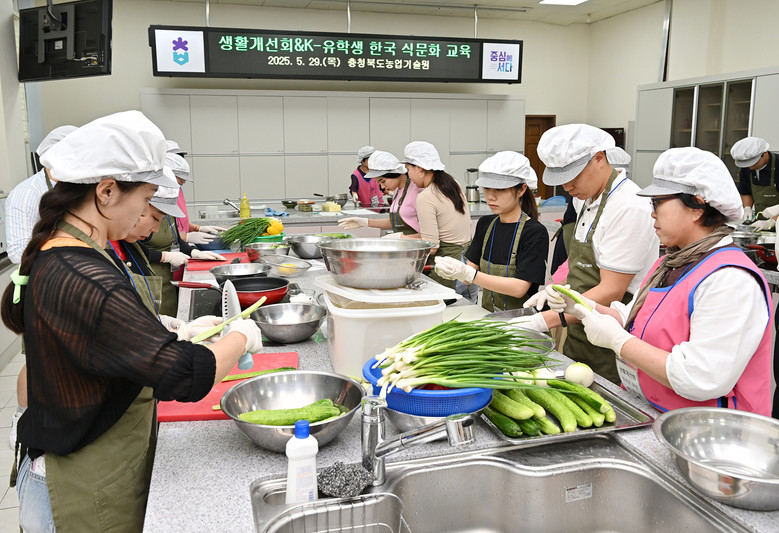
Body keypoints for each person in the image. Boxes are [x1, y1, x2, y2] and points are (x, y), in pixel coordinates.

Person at [3, 110, 263, 532]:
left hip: (76, 463)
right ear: (106, 192)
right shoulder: (85, 275)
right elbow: (184, 375)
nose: (148, 213)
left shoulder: (64, 250)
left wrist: (162, 334)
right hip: (78, 488)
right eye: (145, 199)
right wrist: (240, 336)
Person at [545, 147, 772, 416]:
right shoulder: (669, 263)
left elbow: (701, 377)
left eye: (657, 203)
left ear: (696, 207)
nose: (652, 213)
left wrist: (620, 342)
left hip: (709, 430)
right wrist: (584, 307)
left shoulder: (730, 279)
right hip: (656, 413)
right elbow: (638, 319)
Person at [518, 124, 659, 384]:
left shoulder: (628, 206)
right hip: (578, 327)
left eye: (574, 175)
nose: (567, 185)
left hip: (612, 336)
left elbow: (611, 290)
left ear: (599, 158)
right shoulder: (583, 197)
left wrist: (542, 321)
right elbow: (582, 262)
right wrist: (555, 288)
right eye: (561, 177)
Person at [5, 125, 77, 449]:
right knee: (36, 359)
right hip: (39, 284)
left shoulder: (72, 189)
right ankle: (22, 416)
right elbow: (19, 252)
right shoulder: (26, 194)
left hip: (69, 282)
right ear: (50, 162)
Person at [433, 151, 548, 311]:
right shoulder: (486, 224)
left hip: (521, 320)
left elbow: (519, 288)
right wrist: (455, 270)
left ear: (521, 190)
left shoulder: (534, 232)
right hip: (487, 316)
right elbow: (468, 275)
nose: (491, 196)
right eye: (487, 188)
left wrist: (469, 274)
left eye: (500, 189)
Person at [401, 141, 472, 290]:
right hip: (468, 264)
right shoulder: (453, 183)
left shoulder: (426, 196)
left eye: (408, 169)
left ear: (419, 168)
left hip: (448, 267)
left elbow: (431, 246)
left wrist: (401, 242)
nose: (408, 176)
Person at [338, 150, 421, 237]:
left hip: (416, 245)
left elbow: (429, 234)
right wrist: (365, 222)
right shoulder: (397, 190)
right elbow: (395, 223)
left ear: (393, 173)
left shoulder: (417, 191)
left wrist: (402, 238)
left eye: (383, 181)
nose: (382, 187)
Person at [164, 144, 225, 246]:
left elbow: (178, 222)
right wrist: (186, 237)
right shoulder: (157, 196)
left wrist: (197, 228)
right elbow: (156, 236)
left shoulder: (177, 189)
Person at [731, 136, 779, 228]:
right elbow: (746, 191)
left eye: (753, 162)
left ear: (765, 153)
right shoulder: (747, 168)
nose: (750, 167)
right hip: (760, 222)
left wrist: (772, 222)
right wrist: (747, 208)